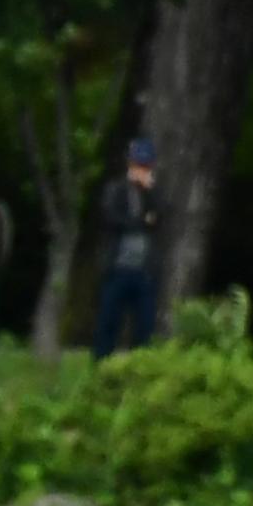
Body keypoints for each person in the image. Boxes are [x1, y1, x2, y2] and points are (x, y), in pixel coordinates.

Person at [93, 139, 162, 360]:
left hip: (144, 271)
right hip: (118, 267)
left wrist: (148, 193)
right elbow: (111, 218)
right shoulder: (116, 189)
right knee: (108, 323)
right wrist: (141, 220)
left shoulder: (152, 193)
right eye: (137, 165)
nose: (141, 170)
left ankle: (138, 371)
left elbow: (158, 218)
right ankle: (100, 368)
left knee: (145, 327)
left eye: (145, 166)